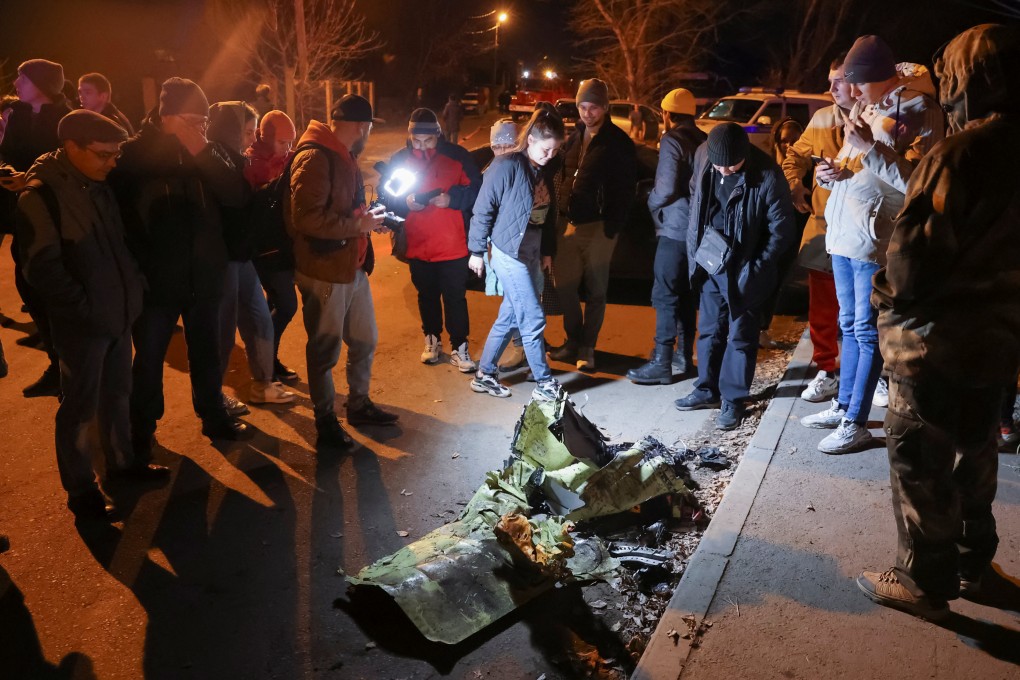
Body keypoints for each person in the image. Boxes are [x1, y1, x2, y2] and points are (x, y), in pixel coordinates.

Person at [855, 23, 1020, 621]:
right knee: (976, 458)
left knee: (921, 464)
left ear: (972, 80)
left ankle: (926, 582)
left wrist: (883, 306)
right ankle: (977, 567)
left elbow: (911, 263)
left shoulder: (957, 154)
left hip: (932, 345)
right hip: (997, 343)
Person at [16, 110, 170, 521]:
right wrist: (83, 310)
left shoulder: (99, 185)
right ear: (72, 147)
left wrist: (132, 289)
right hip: (83, 323)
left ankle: (123, 464)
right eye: (103, 154)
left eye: (115, 153)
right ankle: (82, 490)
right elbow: (40, 267)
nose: (112, 162)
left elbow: (120, 245)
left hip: (117, 313)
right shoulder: (41, 195)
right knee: (80, 407)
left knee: (118, 394)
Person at [800, 35, 944, 454]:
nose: (851, 92)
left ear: (878, 78)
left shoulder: (922, 110)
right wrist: (834, 172)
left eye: (857, 83)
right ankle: (843, 403)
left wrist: (871, 150)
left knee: (865, 331)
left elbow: (922, 186)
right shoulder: (869, 104)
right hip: (844, 232)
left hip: (873, 240)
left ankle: (855, 421)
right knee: (849, 325)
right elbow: (858, 161)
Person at [110, 77, 253, 453]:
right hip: (156, 278)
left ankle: (213, 416)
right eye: (190, 120)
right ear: (166, 116)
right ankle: (142, 429)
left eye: (203, 121)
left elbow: (237, 195)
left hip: (205, 275)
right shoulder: (135, 155)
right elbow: (121, 215)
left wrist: (201, 148)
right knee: (150, 357)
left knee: (208, 352)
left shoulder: (211, 152)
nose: (199, 128)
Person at [286, 94, 398, 450]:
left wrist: (367, 222)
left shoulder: (342, 154)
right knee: (324, 351)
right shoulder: (314, 156)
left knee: (365, 339)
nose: (367, 132)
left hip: (351, 266)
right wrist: (357, 226)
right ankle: (324, 421)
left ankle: (359, 404)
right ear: (360, 126)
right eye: (367, 126)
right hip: (324, 271)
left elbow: (346, 210)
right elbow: (306, 218)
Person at [674, 123, 795, 430]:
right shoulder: (704, 156)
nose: (725, 171)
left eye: (732, 165)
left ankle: (733, 399)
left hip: (746, 267)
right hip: (711, 258)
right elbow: (695, 194)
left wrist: (756, 269)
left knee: (740, 336)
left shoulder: (768, 174)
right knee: (710, 328)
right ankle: (706, 388)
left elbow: (782, 232)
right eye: (719, 165)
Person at [467, 109, 565, 400]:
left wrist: (547, 250)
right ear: (530, 139)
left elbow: (547, 214)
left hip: (531, 249)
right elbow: (482, 209)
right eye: (546, 148)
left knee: (510, 316)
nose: (550, 154)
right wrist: (475, 251)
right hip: (508, 251)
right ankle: (545, 384)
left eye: (555, 149)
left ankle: (484, 374)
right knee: (533, 317)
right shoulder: (506, 165)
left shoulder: (542, 168)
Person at [206, 101, 295, 411]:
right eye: (244, 132)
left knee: (259, 318)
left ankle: (263, 383)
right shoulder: (215, 162)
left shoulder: (232, 160)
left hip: (242, 254)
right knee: (223, 332)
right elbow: (233, 209)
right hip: (224, 257)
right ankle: (212, 399)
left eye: (252, 132)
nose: (249, 140)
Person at [383, 108, 482, 371]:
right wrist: (405, 205)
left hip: (453, 245)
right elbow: (388, 196)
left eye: (428, 141)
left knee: (455, 297)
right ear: (410, 136)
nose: (423, 146)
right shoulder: (400, 160)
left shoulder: (457, 156)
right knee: (426, 295)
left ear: (438, 135)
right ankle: (432, 340)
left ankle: (460, 347)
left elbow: (476, 188)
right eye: (417, 141)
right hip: (418, 245)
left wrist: (452, 200)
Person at [548, 78, 637, 371]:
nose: (587, 113)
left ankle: (588, 347)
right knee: (565, 288)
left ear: (605, 107)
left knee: (597, 291)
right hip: (568, 225)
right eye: (582, 107)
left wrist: (612, 227)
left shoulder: (617, 142)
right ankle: (573, 340)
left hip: (599, 227)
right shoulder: (573, 138)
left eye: (593, 107)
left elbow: (626, 190)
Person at [782, 54, 852, 404]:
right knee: (824, 309)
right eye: (830, 80)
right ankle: (829, 369)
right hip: (825, 231)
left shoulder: (881, 118)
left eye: (838, 80)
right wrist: (795, 184)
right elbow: (793, 156)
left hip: (865, 234)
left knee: (867, 311)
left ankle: (874, 374)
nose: (830, 88)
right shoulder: (823, 118)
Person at [0, 59, 72, 397]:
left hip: (58, 222)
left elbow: (69, 168)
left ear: (41, 84)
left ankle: (76, 371)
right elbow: (5, 154)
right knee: (29, 287)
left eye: (22, 78)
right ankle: (57, 365)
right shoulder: (20, 117)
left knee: (58, 295)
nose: (16, 84)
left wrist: (31, 178)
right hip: (24, 218)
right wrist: (9, 172)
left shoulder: (67, 121)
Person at [627, 88, 705, 385]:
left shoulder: (672, 138)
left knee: (664, 294)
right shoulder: (701, 139)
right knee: (686, 295)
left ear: (666, 114)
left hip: (674, 227)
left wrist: (651, 202)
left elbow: (666, 185)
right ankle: (684, 354)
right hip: (695, 231)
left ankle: (661, 361)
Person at [246, 110, 300, 383]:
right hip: (266, 249)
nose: (288, 148)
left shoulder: (289, 159)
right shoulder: (252, 163)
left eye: (291, 142)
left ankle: (267, 360)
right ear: (265, 138)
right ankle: (263, 361)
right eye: (282, 142)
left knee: (273, 306)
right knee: (287, 305)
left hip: (284, 245)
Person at [758, 117, 807, 349]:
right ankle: (755, 328)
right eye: (784, 140)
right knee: (761, 281)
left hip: (791, 235)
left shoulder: (806, 171)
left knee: (776, 283)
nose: (789, 145)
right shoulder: (766, 166)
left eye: (794, 140)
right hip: (766, 234)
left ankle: (761, 328)